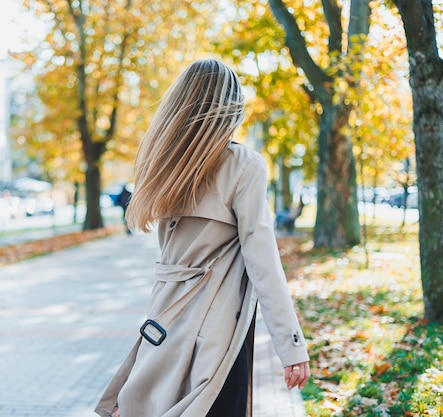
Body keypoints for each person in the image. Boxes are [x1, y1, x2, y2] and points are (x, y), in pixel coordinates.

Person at [95, 59, 310, 417]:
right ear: (230, 107)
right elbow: (264, 262)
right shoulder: (243, 165)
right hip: (217, 328)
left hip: (164, 321)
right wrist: (292, 346)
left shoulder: (161, 164)